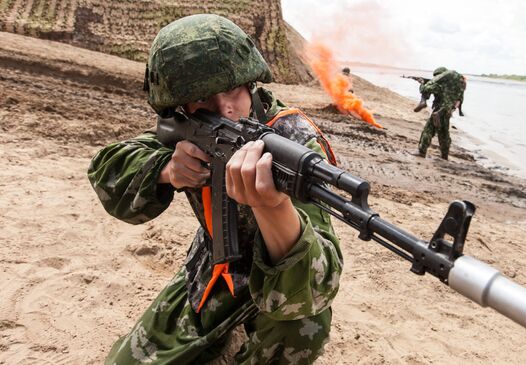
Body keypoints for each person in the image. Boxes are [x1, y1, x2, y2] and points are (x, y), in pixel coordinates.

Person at [87, 14, 343, 364]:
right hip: (211, 272)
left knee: (302, 327)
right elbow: (108, 170)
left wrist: (272, 207)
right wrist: (167, 170)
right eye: (204, 100)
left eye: (233, 90)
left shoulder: (297, 146)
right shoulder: (191, 129)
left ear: (251, 82)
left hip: (276, 283)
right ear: (181, 107)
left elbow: (317, 286)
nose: (224, 108)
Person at [411, 67, 465, 160]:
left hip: (438, 111)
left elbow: (425, 89)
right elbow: (459, 100)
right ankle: (444, 156)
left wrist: (422, 83)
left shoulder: (439, 86)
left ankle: (421, 151)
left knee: (428, 130)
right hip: (447, 111)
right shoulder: (458, 86)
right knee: (444, 133)